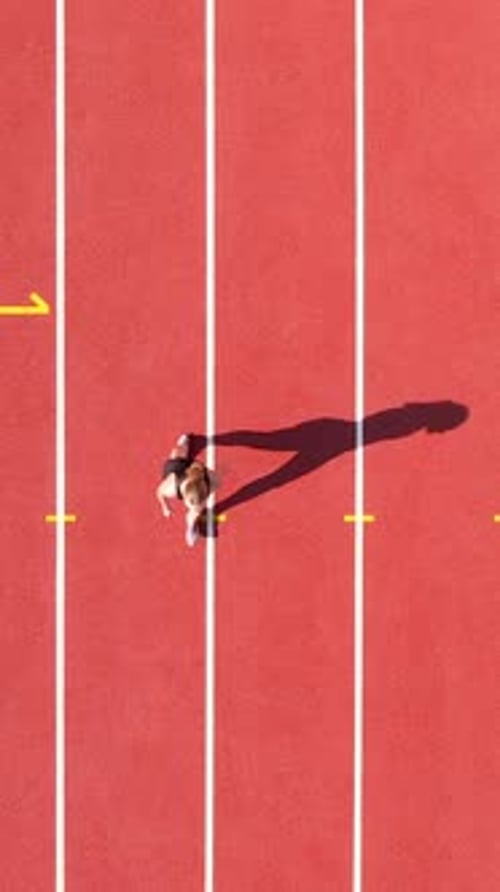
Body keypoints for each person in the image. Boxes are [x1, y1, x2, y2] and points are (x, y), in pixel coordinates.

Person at [156, 434, 212, 547]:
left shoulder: (208, 481)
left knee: (195, 512)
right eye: (192, 503)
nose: (197, 505)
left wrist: (197, 507)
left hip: (194, 476)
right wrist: (165, 507)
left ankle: (191, 528)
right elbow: (159, 492)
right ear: (185, 497)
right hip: (177, 469)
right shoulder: (170, 487)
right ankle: (184, 444)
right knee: (177, 452)